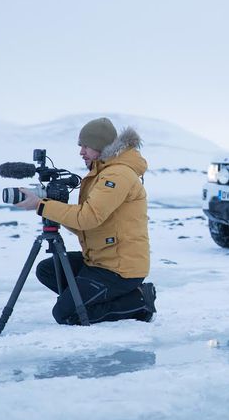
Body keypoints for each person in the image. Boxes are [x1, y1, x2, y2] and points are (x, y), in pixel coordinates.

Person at [16, 117, 156, 324]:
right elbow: (89, 225)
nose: (81, 152)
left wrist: (41, 205)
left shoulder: (117, 175)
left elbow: (87, 219)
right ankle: (86, 298)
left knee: (66, 314)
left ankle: (138, 302)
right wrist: (53, 208)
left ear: (101, 146)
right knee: (46, 270)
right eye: (81, 146)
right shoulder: (102, 172)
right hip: (100, 260)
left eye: (86, 146)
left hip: (119, 269)